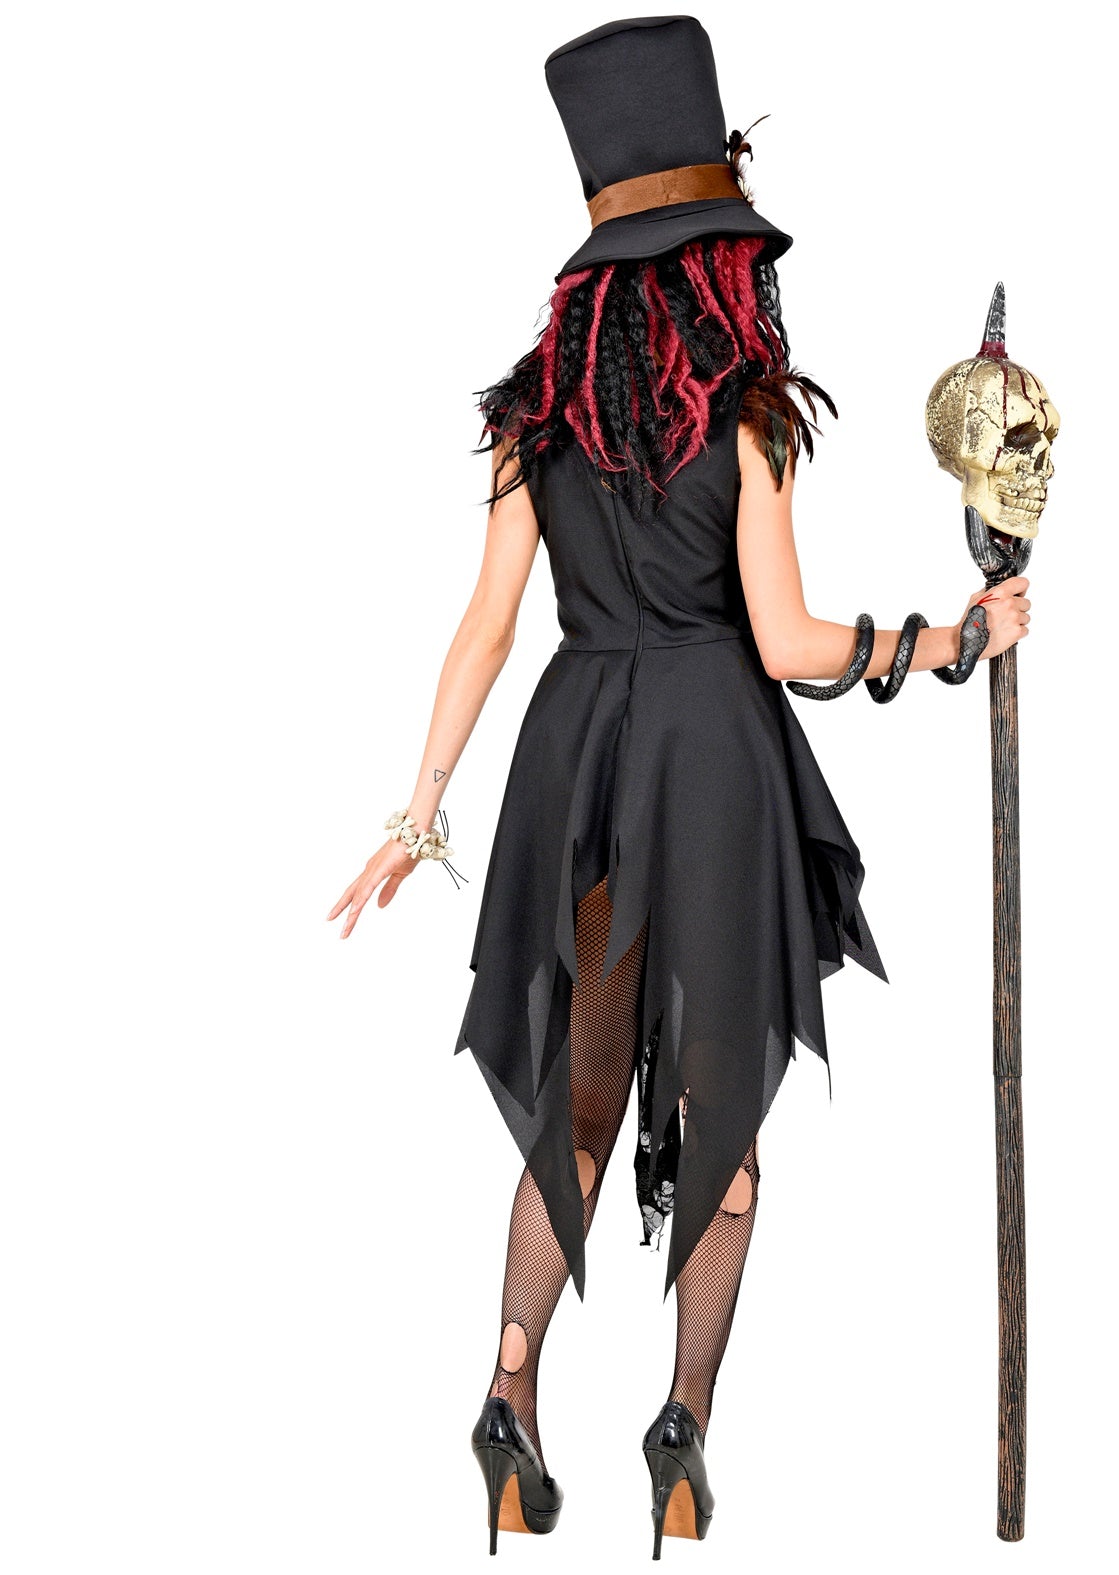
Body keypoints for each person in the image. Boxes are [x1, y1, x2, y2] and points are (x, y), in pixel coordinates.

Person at [326, 16, 1031, 1559]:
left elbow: (486, 625)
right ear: (719, 259)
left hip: (578, 752)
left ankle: (506, 1399)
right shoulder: (748, 415)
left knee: (577, 1118)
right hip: (711, 764)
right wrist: (953, 638)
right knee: (718, 1129)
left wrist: (417, 810)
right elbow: (786, 645)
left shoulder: (534, 415)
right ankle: (682, 1431)